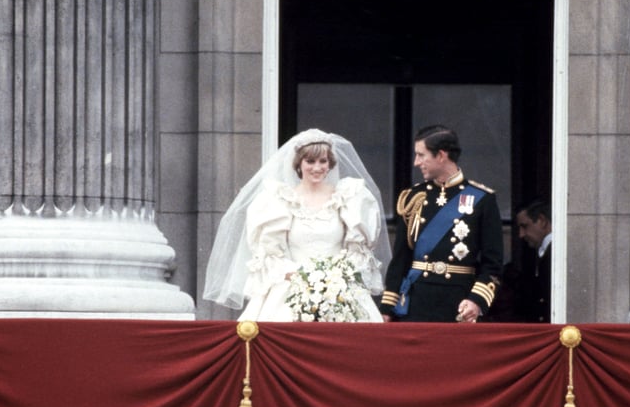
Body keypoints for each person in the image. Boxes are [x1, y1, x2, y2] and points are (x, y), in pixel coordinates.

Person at [202, 129, 391, 322]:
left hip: (339, 289)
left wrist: (334, 280)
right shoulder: (279, 200)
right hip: (291, 286)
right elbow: (271, 254)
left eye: (323, 161)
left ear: (330, 163)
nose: (317, 168)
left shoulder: (349, 197)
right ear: (299, 164)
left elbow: (356, 251)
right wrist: (303, 279)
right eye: (310, 161)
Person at [379, 125, 503, 323]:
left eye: (421, 155)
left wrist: (476, 300)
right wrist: (387, 308)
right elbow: (400, 260)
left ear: (441, 155)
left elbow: (493, 264)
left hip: (458, 304)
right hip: (416, 305)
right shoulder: (414, 197)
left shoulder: (482, 199)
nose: (416, 162)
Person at [514, 198, 552, 322]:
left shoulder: (557, 254)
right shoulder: (543, 252)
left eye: (524, 226)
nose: (521, 234)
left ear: (541, 221)